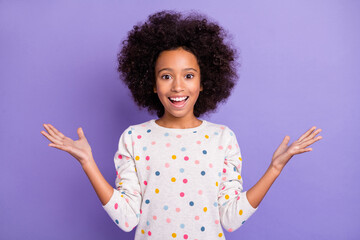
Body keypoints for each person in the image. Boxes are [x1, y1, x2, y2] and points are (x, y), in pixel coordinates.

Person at [40, 10, 323, 240]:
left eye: (188, 75)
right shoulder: (134, 138)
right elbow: (127, 220)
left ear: (203, 82)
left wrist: (275, 168)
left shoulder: (222, 138)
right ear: (151, 83)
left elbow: (231, 219)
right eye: (166, 76)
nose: (177, 86)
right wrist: (88, 162)